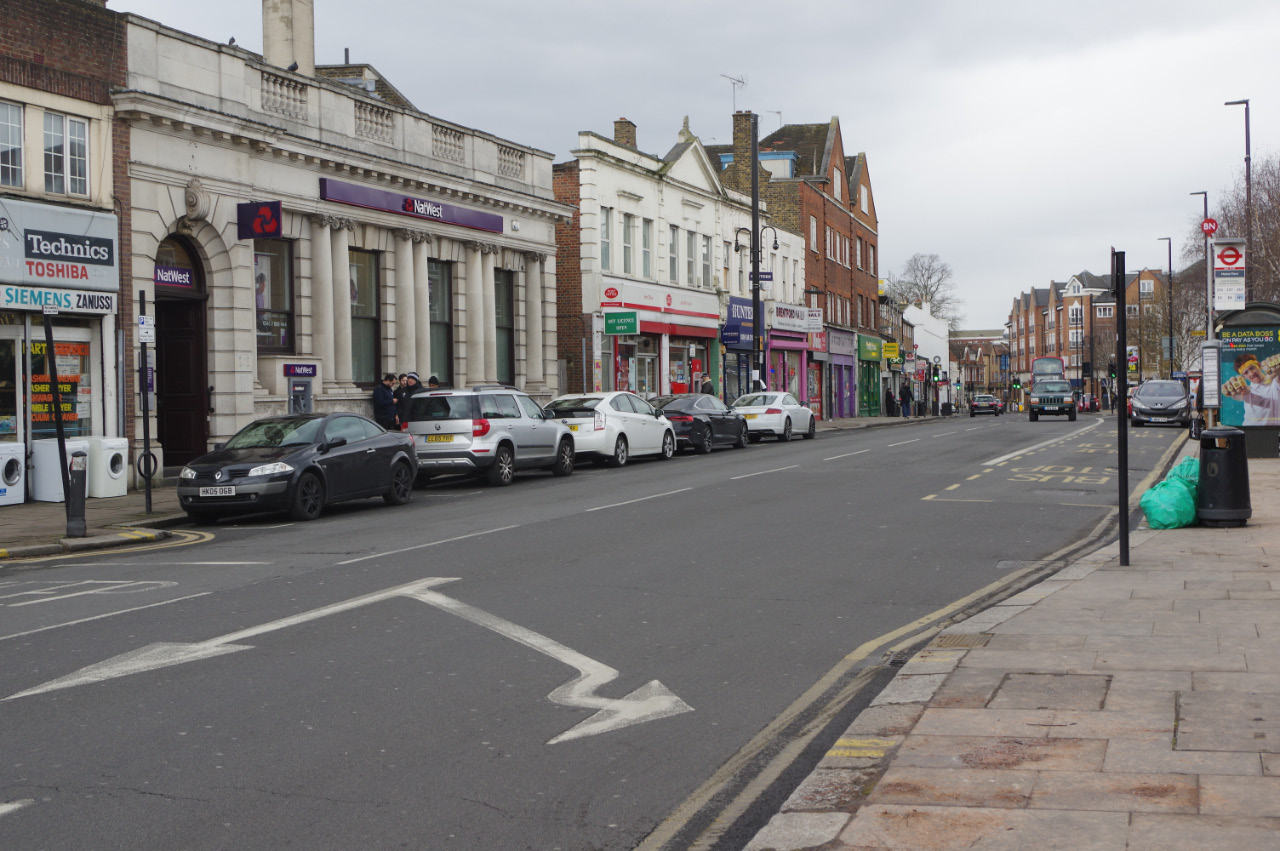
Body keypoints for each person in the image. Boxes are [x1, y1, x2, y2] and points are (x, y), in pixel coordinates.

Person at [1222, 352, 1280, 426]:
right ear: (1244, 377)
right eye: (1246, 373)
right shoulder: (1247, 391)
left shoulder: (1275, 381)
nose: (1251, 374)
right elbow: (1240, 395)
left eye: (1252, 368)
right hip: (1251, 431)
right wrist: (1235, 392)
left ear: (1259, 365)